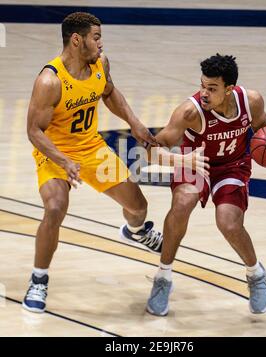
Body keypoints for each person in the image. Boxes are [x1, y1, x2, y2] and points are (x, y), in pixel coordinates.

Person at [23, 12, 163, 313]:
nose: (101, 44)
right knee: (55, 208)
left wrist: (135, 123)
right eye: (96, 38)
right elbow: (33, 131)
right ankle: (39, 279)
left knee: (138, 207)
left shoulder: (101, 64)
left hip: (91, 148)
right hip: (54, 153)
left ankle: (136, 231)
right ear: (77, 40)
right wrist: (64, 161)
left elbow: (109, 93)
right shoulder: (50, 80)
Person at [146, 54, 266, 316]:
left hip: (233, 165)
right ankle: (163, 277)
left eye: (212, 88)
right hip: (194, 162)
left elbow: (265, 132)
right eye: (202, 85)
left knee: (228, 223)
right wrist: (183, 159)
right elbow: (151, 152)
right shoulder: (190, 112)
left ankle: (256, 274)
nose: (204, 92)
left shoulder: (251, 102)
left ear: (229, 89)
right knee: (182, 203)